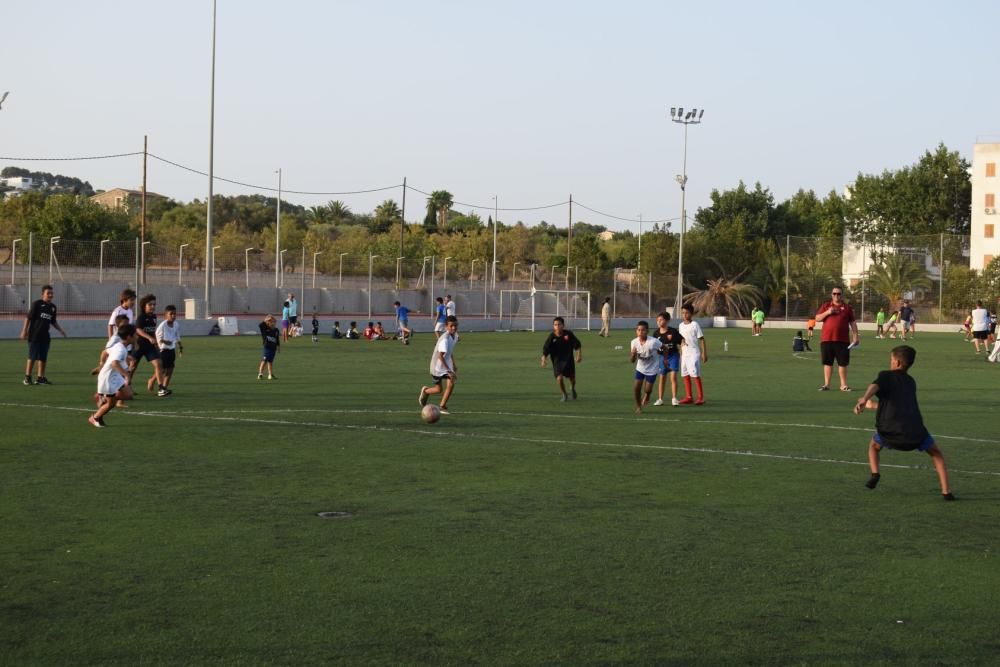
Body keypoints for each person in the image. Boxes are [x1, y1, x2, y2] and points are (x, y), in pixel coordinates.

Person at [853, 345, 954, 500]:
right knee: (936, 454)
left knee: (874, 446)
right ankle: (946, 492)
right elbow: (896, 405)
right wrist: (873, 405)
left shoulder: (885, 375)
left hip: (890, 433)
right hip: (916, 433)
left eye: (891, 360)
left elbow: (874, 386)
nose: (890, 363)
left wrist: (865, 398)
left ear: (898, 362)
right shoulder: (911, 382)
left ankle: (875, 474)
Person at [89, 324, 137, 428]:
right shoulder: (120, 349)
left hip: (114, 376)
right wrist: (127, 375)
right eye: (135, 335)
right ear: (129, 337)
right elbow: (114, 363)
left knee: (129, 395)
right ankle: (95, 417)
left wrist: (129, 359)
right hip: (107, 378)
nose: (136, 337)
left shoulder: (120, 346)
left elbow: (105, 352)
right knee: (111, 404)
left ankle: (102, 397)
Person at [20, 284, 67, 385]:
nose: (50, 295)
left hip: (45, 336)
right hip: (34, 335)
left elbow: (53, 321)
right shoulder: (37, 304)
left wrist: (60, 330)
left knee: (43, 357)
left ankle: (40, 378)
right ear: (43, 294)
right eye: (48, 293)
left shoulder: (53, 307)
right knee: (32, 356)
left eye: (51, 293)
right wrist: (24, 331)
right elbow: (28, 318)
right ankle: (27, 378)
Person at [815, 286, 860, 392]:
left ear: (841, 295)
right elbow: (817, 318)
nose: (836, 295)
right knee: (828, 363)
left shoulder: (847, 308)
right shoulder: (826, 305)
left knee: (842, 363)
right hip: (827, 339)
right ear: (831, 295)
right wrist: (827, 312)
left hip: (843, 340)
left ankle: (843, 385)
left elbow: (852, 323)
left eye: (838, 294)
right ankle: (826, 384)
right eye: (834, 293)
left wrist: (855, 335)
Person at [419, 315, 459, 415]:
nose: (453, 328)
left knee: (451, 383)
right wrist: (449, 371)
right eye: (451, 326)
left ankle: (442, 406)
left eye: (455, 325)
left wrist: (453, 364)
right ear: (446, 327)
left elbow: (450, 351)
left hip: (446, 363)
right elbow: (440, 357)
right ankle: (426, 391)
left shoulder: (455, 336)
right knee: (438, 389)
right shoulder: (444, 339)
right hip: (437, 366)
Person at [132, 294, 169, 397]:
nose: (152, 306)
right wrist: (148, 337)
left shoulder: (154, 317)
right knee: (133, 366)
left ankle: (161, 388)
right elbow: (138, 330)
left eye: (154, 304)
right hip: (139, 345)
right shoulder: (141, 317)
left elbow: (153, 332)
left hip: (150, 347)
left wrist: (156, 342)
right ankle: (127, 386)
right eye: (150, 304)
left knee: (158, 364)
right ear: (144, 305)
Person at [541, 316, 583, 402]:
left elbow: (578, 345)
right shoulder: (552, 337)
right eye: (555, 325)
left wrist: (579, 356)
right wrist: (543, 359)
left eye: (559, 324)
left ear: (563, 325)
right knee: (559, 379)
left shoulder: (568, 334)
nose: (557, 326)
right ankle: (564, 394)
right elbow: (545, 349)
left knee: (573, 379)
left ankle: (572, 388)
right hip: (557, 362)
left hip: (568, 360)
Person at [678, 304, 708, 405]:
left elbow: (702, 339)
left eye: (686, 313)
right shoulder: (681, 325)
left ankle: (701, 397)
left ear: (691, 313)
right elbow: (681, 340)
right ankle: (689, 396)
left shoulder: (695, 325)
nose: (684, 315)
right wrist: (680, 352)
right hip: (684, 354)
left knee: (695, 374)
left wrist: (704, 353)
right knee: (685, 374)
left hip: (694, 353)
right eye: (683, 313)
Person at [629, 320, 662, 414]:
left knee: (647, 389)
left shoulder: (653, 342)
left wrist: (665, 359)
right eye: (638, 330)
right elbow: (632, 361)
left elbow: (664, 348)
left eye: (643, 330)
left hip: (652, 368)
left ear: (647, 331)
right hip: (641, 368)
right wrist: (633, 354)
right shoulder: (634, 342)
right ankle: (638, 407)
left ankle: (647, 395)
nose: (640, 332)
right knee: (636, 388)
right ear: (636, 331)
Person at [654, 311, 681, 406]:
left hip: (673, 356)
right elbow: (654, 347)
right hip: (662, 357)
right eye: (657, 320)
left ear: (667, 320)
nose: (659, 322)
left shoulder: (673, 331)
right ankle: (660, 399)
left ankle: (674, 398)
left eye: (661, 319)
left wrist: (684, 344)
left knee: (673, 377)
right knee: (662, 378)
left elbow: (681, 340)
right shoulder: (656, 333)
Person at [156, 304, 183, 393]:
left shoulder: (176, 324)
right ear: (166, 315)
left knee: (170, 369)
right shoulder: (163, 325)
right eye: (171, 314)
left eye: (174, 314)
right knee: (163, 370)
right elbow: (158, 336)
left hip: (171, 350)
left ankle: (164, 387)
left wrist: (180, 346)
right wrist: (164, 341)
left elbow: (177, 335)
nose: (173, 316)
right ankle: (152, 381)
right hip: (163, 350)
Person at [257, 315, 280, 379]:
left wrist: (278, 346)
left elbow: (277, 339)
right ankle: (260, 373)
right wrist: (266, 319)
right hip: (267, 347)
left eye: (274, 322)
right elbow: (260, 325)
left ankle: (270, 374)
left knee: (270, 361)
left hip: (273, 348)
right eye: (271, 322)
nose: (273, 323)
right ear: (268, 322)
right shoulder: (265, 329)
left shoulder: (276, 330)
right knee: (264, 360)